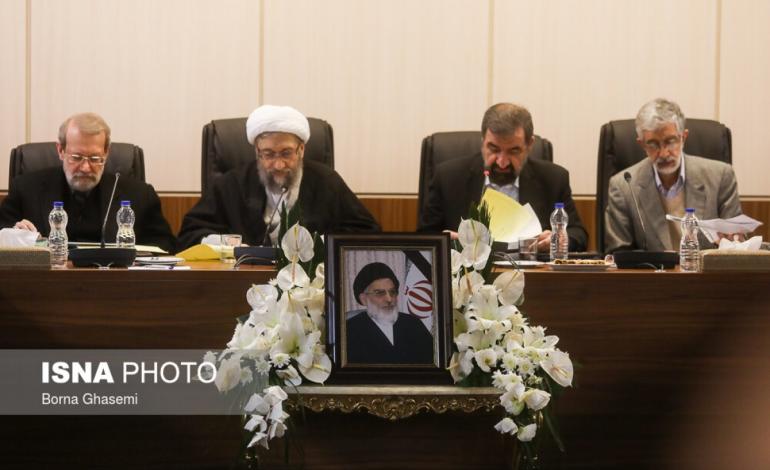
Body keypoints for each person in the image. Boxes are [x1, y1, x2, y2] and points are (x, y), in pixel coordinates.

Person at [176, 105, 380, 249]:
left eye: (286, 153)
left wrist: (319, 245)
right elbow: (190, 235)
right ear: (257, 151)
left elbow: (367, 233)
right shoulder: (231, 184)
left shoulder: (327, 181)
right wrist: (231, 244)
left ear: (301, 149)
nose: (279, 164)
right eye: (268, 154)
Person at [418, 102, 587, 252]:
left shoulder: (553, 179)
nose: (502, 162)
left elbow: (577, 234)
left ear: (529, 145)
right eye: (494, 149)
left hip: (531, 274)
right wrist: (446, 241)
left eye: (514, 151)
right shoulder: (448, 177)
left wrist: (559, 239)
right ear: (483, 141)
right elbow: (424, 237)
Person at [0, 112, 176, 252]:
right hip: (47, 281)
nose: (85, 168)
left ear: (106, 153)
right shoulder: (26, 188)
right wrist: (15, 235)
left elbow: (165, 245)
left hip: (115, 281)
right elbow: (2, 233)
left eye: (95, 158)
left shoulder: (139, 194)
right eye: (76, 157)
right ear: (61, 150)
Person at [604, 98, 743, 253]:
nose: (663, 153)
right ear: (642, 144)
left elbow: (736, 246)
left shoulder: (721, 176)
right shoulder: (623, 187)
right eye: (653, 144)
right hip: (652, 269)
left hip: (705, 269)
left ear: (683, 137)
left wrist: (734, 238)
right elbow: (619, 254)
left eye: (670, 141)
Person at [346, 262, 434, 365]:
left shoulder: (413, 323)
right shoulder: (349, 330)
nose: (389, 299)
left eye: (392, 292)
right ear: (364, 299)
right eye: (380, 293)